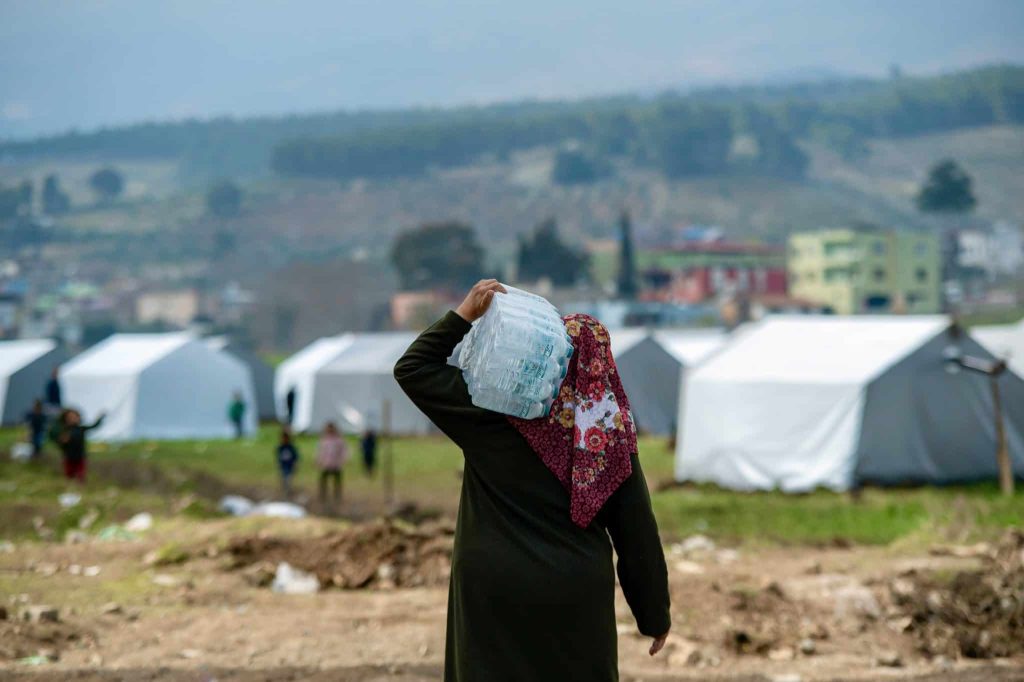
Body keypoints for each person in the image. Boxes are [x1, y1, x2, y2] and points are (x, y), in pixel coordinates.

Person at [394, 279, 670, 681]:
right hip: (574, 591)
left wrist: (463, 315)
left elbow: (413, 368)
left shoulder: (488, 412)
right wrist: (653, 614)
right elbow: (636, 529)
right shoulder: (607, 436)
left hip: (494, 586)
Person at [51, 409, 105, 483]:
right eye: (70, 417)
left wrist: (100, 418)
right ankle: (70, 489)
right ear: (65, 419)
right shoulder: (64, 430)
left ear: (79, 418)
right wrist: (62, 441)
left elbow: (94, 426)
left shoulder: (81, 429)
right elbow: (55, 437)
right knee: (69, 476)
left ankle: (80, 489)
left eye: (75, 417)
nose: (73, 419)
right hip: (69, 457)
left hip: (80, 457)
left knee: (80, 476)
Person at [316, 421, 348, 508]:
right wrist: (319, 460)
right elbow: (321, 451)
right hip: (326, 464)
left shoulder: (338, 440)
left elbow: (344, 451)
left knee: (337, 482)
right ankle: (323, 496)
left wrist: (343, 460)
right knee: (323, 481)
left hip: (336, 465)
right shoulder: (324, 440)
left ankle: (337, 497)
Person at [276, 428, 300, 499]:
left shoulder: (291, 447)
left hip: (290, 466)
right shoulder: (280, 447)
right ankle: (285, 490)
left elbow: (296, 457)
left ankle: (288, 491)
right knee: (283, 479)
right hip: (283, 466)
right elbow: (278, 457)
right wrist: (278, 464)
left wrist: (295, 464)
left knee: (289, 479)